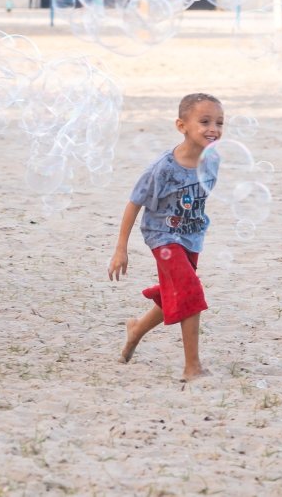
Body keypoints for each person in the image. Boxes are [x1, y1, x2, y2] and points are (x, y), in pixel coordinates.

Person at [108, 93, 223, 382]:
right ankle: (192, 367)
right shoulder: (163, 168)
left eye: (220, 122)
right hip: (163, 237)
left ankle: (136, 329)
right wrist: (121, 249)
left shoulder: (213, 161)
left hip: (191, 236)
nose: (214, 128)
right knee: (190, 292)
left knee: (176, 292)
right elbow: (134, 202)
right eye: (205, 121)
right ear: (181, 125)